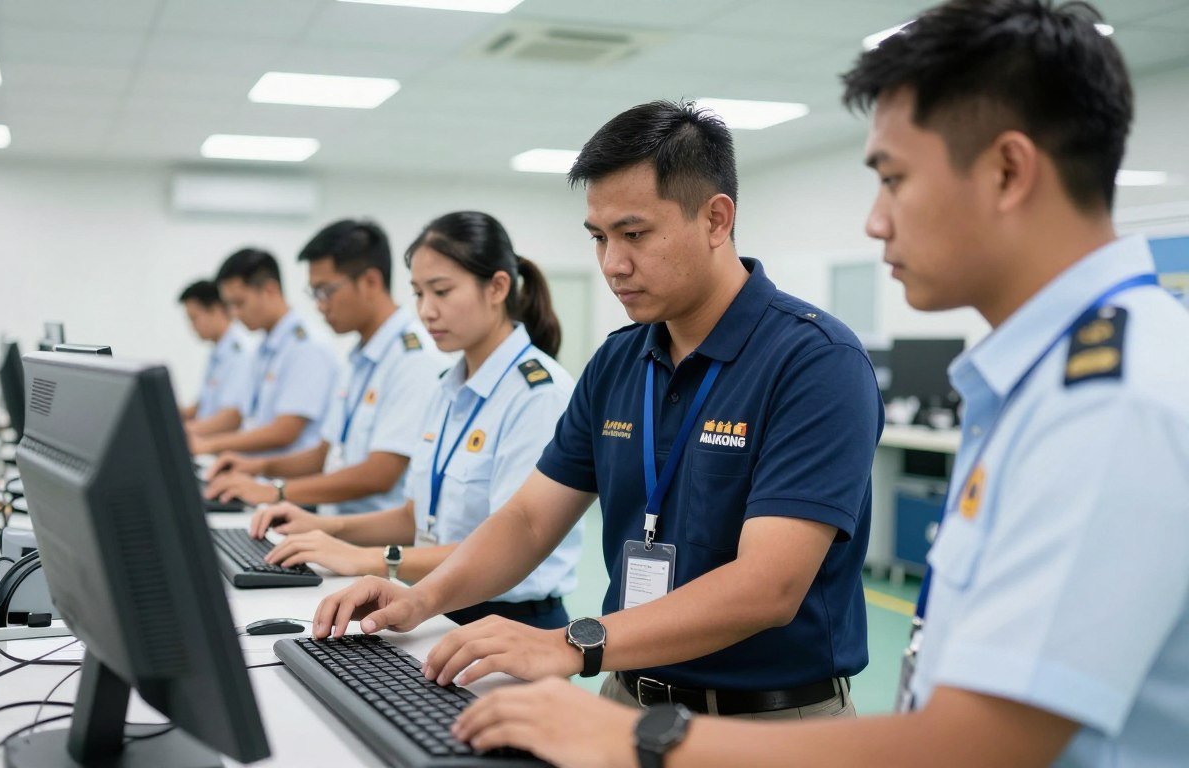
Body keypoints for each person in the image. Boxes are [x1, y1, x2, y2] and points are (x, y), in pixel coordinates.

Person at [449, 2, 1189, 767]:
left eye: (894, 179)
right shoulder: (1042, 384)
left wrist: (631, 730)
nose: (874, 222)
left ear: (1007, 171)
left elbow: (983, 743)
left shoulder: (1109, 402)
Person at [312, 101, 883, 720]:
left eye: (634, 234)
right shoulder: (619, 361)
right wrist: (417, 599)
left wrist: (571, 643)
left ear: (716, 219)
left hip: (770, 720)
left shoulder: (814, 361)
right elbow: (530, 519)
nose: (612, 264)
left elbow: (767, 586)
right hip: (626, 697)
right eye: (599, 238)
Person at [253, 211, 583, 630]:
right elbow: (415, 517)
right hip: (437, 603)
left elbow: (506, 548)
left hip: (509, 622)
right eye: (418, 293)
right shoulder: (448, 385)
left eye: (442, 292)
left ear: (498, 287)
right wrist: (327, 527)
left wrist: (372, 558)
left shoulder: (539, 394)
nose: (426, 311)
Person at [203, 220, 447, 514]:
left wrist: (275, 491)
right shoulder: (359, 356)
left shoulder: (413, 358)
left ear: (370, 282)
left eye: (326, 291)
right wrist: (258, 466)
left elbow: (379, 474)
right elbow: (326, 453)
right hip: (331, 527)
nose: (319, 305)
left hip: (371, 545)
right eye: (314, 293)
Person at [189, 248, 339, 457]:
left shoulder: (307, 346)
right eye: (229, 305)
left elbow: (284, 431)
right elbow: (244, 417)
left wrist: (209, 445)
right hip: (255, 475)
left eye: (239, 303)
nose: (234, 314)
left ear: (269, 290)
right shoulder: (262, 349)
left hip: (285, 483)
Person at [177, 279, 251, 424]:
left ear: (215, 310)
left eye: (194, 318)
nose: (192, 327)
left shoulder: (240, 352)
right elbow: (204, 405)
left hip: (220, 442)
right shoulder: (218, 351)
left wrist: (189, 432)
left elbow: (232, 417)